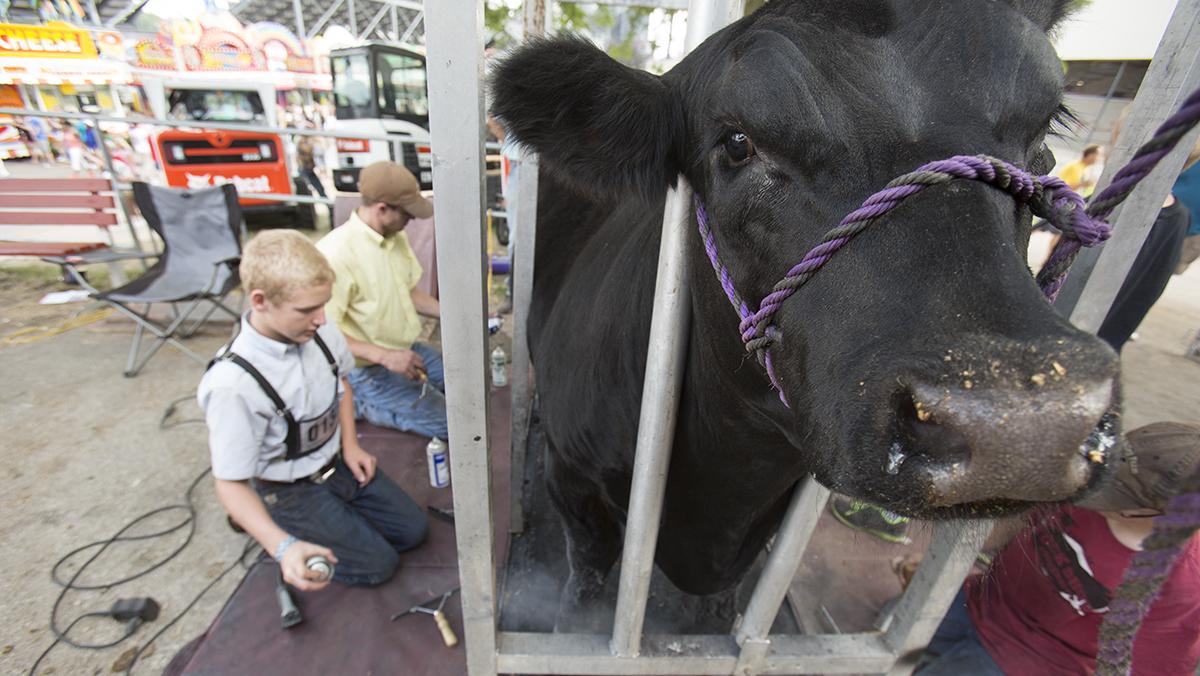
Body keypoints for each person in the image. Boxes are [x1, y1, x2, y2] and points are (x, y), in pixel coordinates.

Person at [198, 231, 428, 591]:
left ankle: (332, 520)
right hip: (288, 487)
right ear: (260, 301)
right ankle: (274, 523)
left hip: (335, 462)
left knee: (414, 531)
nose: (321, 319)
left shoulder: (320, 331)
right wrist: (283, 547)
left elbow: (343, 386)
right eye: (307, 310)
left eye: (323, 305)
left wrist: (350, 446)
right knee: (379, 565)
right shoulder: (233, 386)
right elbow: (229, 482)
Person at [918, 422, 1200, 676]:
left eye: (1119, 496)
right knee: (896, 625)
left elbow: (1156, 663)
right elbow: (1018, 518)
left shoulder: (1181, 582)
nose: (1097, 496)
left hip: (1035, 659)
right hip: (984, 598)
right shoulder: (1084, 478)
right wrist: (945, 563)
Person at [316, 161, 447, 439]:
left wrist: (453, 314)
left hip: (405, 347)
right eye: (408, 213)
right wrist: (386, 357)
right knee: (449, 424)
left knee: (467, 386)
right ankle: (359, 405)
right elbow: (324, 331)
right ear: (382, 209)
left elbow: (408, 292)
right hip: (364, 368)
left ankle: (380, 398)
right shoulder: (335, 255)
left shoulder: (393, 235)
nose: (412, 220)